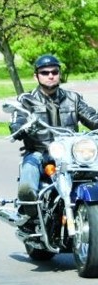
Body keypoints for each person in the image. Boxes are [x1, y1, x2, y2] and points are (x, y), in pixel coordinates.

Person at [9, 54, 98, 216]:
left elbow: (92, 117)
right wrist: (19, 127)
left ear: (59, 74)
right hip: (40, 152)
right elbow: (18, 119)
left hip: (70, 155)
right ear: (36, 76)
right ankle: (29, 214)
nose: (50, 75)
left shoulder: (73, 99)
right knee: (29, 173)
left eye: (54, 72)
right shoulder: (26, 100)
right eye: (45, 72)